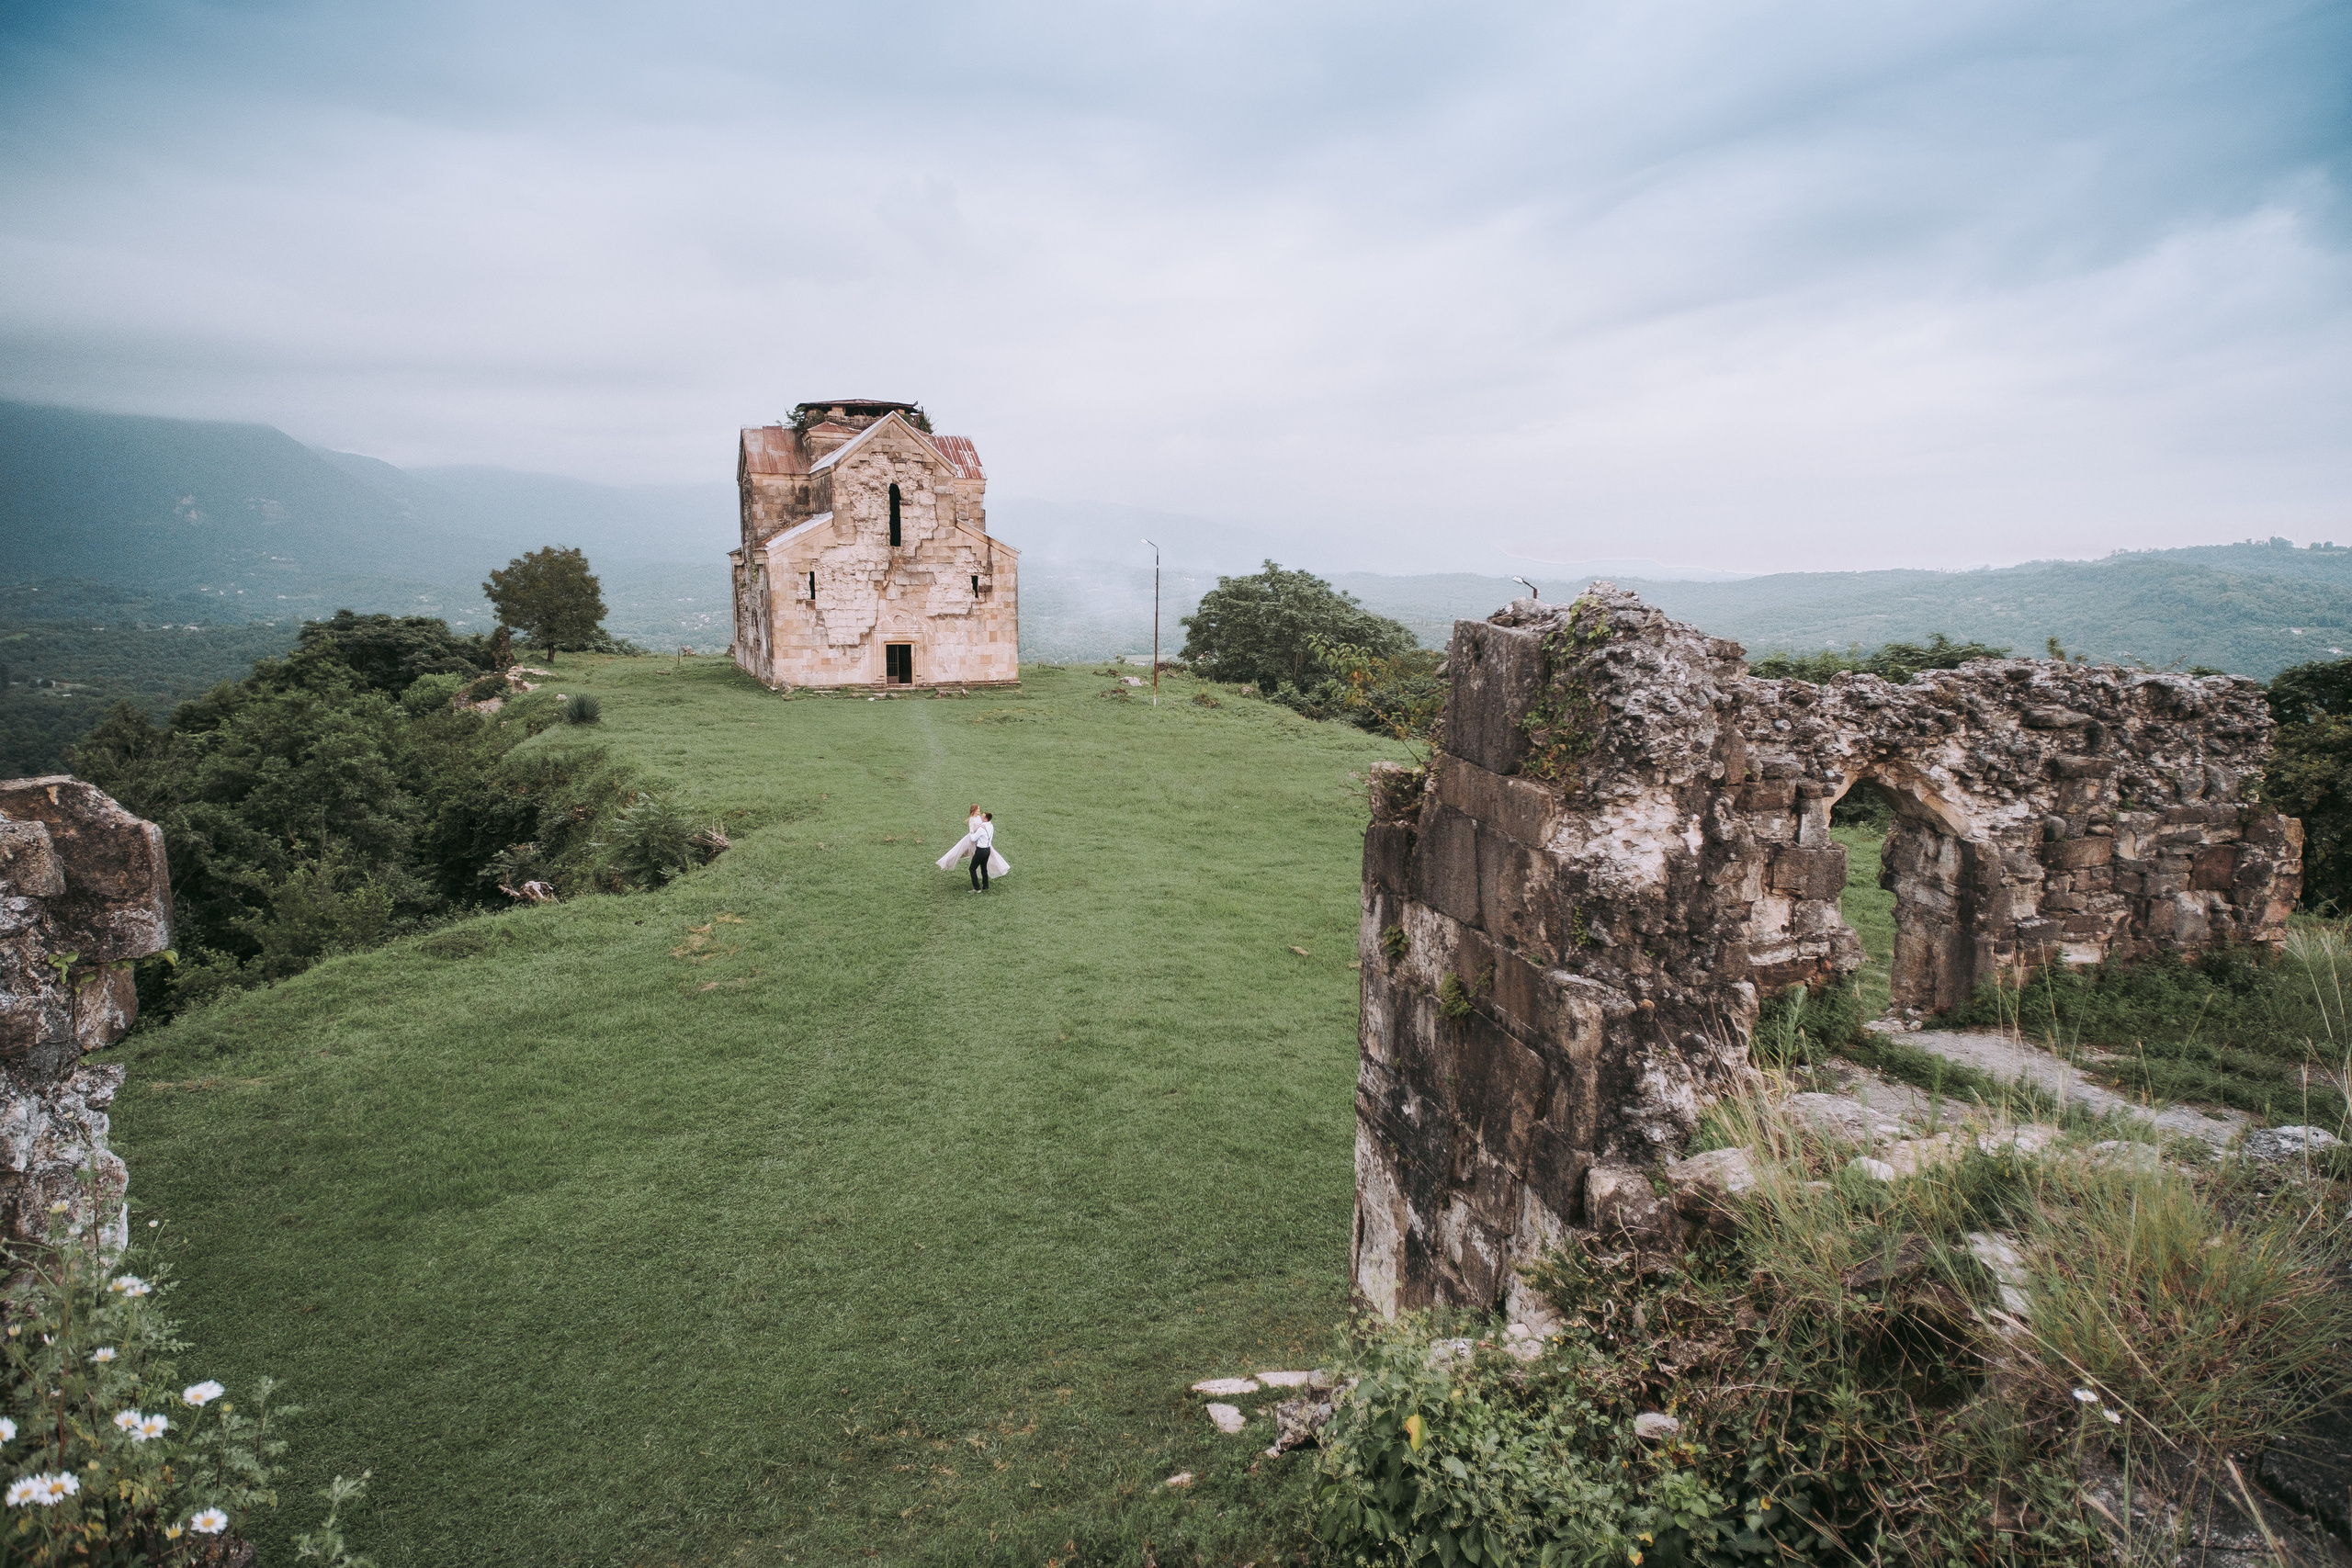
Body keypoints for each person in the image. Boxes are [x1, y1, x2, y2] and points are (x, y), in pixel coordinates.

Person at [970, 812, 995, 891]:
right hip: (987, 850)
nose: (981, 817)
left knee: (972, 868)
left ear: (985, 819)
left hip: (980, 850)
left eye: (982, 816)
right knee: (984, 868)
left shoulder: (981, 828)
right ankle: (985, 885)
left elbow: (973, 838)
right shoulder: (991, 826)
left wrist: (971, 830)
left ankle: (977, 888)